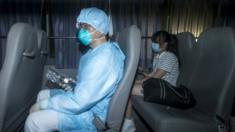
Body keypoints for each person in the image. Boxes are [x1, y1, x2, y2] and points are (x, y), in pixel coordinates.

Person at [24, 7, 125, 132]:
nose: (82, 31)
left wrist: (45, 105)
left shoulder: (104, 58)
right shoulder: (96, 52)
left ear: (101, 30)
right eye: (81, 27)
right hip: (85, 102)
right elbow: (90, 86)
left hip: (91, 116)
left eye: (87, 27)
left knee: (33, 121)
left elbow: (79, 102)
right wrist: (74, 85)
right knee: (42, 94)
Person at [133, 31, 179, 95]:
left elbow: (155, 77)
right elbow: (152, 75)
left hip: (166, 90)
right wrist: (142, 70)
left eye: (156, 42)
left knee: (129, 89)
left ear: (165, 44)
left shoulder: (170, 57)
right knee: (129, 87)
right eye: (153, 42)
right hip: (158, 85)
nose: (153, 44)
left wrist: (138, 82)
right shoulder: (158, 56)